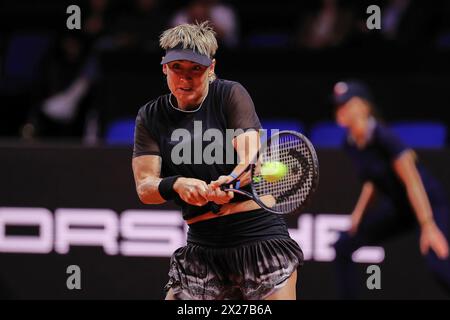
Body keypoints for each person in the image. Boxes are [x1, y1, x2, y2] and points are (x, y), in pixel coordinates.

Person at [131, 22, 303, 300]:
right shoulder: (150, 117)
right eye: (177, 68)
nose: (185, 78)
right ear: (164, 67)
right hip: (202, 247)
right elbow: (145, 187)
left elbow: (251, 160)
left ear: (211, 68)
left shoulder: (230, 95)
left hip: (258, 238)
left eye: (195, 69)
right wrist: (177, 184)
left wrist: (231, 181)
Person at [331, 80, 450, 298]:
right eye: (339, 105)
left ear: (364, 107)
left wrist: (428, 224)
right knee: (343, 245)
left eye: (348, 103)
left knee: (439, 262)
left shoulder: (384, 138)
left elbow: (413, 181)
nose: (342, 110)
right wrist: (358, 216)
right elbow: (373, 181)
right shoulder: (350, 143)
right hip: (399, 208)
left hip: (427, 204)